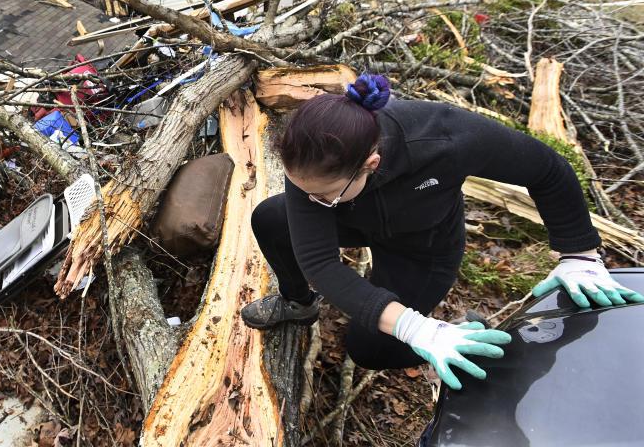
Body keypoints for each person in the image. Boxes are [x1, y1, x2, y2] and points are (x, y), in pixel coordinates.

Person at [241, 73, 643, 390]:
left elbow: (549, 170)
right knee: (270, 218)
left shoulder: (446, 138)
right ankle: (297, 304)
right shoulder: (308, 158)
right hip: (357, 218)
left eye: (323, 195)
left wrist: (579, 254)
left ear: (371, 163)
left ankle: (472, 340)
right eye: (304, 191)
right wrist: (413, 325)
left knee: (368, 347)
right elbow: (322, 263)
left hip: (422, 244)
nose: (310, 201)